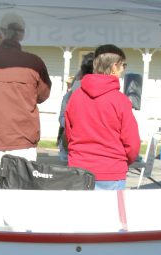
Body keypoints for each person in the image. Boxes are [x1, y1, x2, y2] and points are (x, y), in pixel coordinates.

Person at [0, 12, 51, 189]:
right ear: (22, 34)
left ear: (0, 33)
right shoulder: (34, 63)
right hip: (22, 142)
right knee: (20, 203)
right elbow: (43, 95)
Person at [64, 44, 140, 190]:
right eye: (123, 65)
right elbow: (132, 142)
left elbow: (69, 134)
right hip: (111, 172)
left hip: (79, 169)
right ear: (114, 66)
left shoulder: (76, 96)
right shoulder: (120, 100)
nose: (124, 69)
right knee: (110, 213)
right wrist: (121, 161)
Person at [57, 52, 94, 161]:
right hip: (83, 149)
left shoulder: (75, 89)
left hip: (74, 148)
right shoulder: (76, 89)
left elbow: (63, 119)